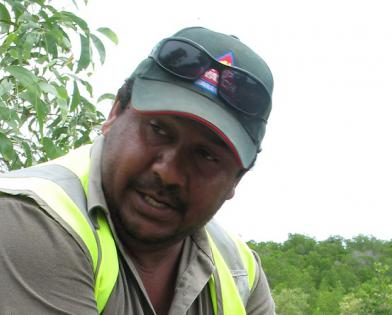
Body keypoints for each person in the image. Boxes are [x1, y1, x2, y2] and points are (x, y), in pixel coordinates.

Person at [0, 26, 275, 314]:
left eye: (205, 155)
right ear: (115, 112)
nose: (169, 173)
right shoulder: (32, 218)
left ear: (237, 179)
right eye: (158, 129)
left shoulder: (239, 271)